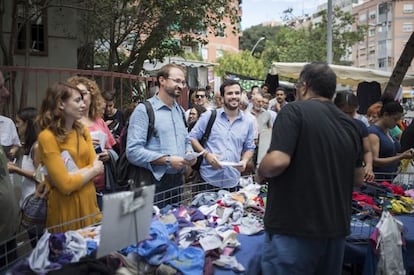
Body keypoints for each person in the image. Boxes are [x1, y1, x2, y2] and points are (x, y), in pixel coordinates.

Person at [257, 62, 364, 274]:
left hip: (293, 230)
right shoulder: (350, 124)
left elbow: (277, 161)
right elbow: (358, 178)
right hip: (335, 232)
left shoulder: (294, 111)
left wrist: (261, 170)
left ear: (303, 87)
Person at [37, 81, 104, 233]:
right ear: (61, 104)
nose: (83, 104)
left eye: (82, 99)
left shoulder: (82, 131)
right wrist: (91, 171)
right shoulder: (47, 137)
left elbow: (99, 166)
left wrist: (69, 177)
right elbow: (66, 186)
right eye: (77, 100)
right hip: (66, 212)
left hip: (89, 207)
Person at [126, 64, 195, 206]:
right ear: (162, 80)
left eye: (182, 82)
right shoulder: (144, 110)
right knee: (153, 226)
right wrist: (167, 160)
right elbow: (132, 151)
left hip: (177, 181)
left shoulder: (180, 111)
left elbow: (186, 140)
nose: (181, 86)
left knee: (175, 224)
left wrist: (189, 153)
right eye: (176, 81)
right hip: (152, 182)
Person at [188, 79, 256, 190]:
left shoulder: (248, 122)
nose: (234, 96)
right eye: (230, 93)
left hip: (232, 181)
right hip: (207, 179)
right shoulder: (210, 116)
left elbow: (249, 147)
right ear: (222, 98)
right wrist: (206, 155)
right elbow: (192, 137)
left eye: (237, 93)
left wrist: (244, 161)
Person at [67, 76, 117, 210]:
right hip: (78, 186)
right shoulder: (67, 123)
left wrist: (108, 154)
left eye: (83, 94)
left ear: (92, 96)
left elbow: (112, 148)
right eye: (75, 94)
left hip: (103, 186)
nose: (80, 98)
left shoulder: (99, 121)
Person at [0, 70, 19, 269]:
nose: (6, 93)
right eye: (0, 87)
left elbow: (16, 146)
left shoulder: (7, 124)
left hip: (8, 234)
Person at [334, 92, 375, 181]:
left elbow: (367, 151)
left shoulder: (360, 126)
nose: (348, 117)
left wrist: (368, 165)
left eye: (351, 113)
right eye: (344, 113)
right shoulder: (329, 125)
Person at [367, 100, 413, 180]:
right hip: (378, 179)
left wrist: (406, 155)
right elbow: (375, 160)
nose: (397, 123)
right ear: (385, 115)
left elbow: (390, 155)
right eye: (395, 119)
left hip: (390, 178)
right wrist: (401, 156)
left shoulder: (388, 131)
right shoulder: (373, 133)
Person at [7, 107, 40, 207]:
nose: (16, 126)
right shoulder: (28, 146)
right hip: (27, 199)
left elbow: (40, 176)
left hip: (35, 201)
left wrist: (16, 169)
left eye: (18, 122)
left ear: (27, 124)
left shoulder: (37, 147)